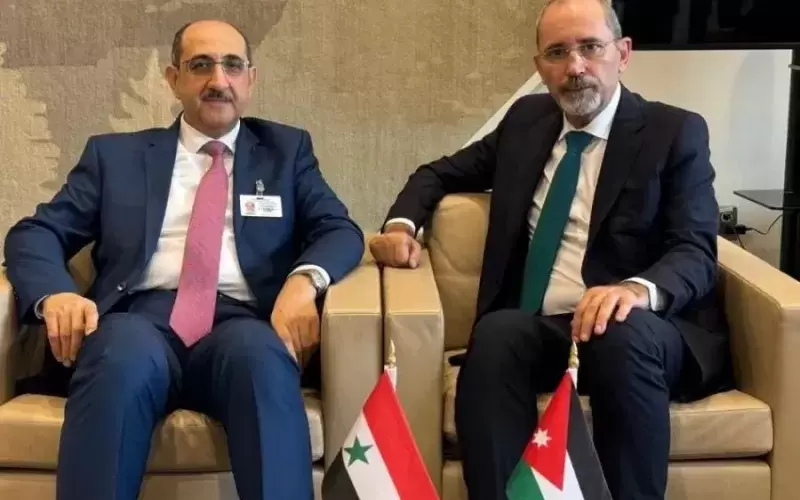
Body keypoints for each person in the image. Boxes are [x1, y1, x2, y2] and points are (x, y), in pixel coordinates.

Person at [368, 0, 731, 499]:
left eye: (590, 47)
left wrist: (634, 290)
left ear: (623, 54)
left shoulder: (673, 132)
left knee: (620, 335)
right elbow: (437, 174)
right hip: (546, 326)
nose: (575, 66)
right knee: (496, 336)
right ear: (540, 66)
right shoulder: (526, 122)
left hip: (642, 330)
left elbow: (694, 250)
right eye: (558, 52)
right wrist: (400, 227)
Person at [3, 19, 364, 500]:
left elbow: (338, 229)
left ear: (250, 79)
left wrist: (303, 283)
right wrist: (56, 295)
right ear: (173, 79)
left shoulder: (286, 151)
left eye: (232, 65)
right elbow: (36, 232)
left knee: (263, 361)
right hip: (138, 321)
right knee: (118, 358)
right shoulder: (116, 156)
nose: (218, 80)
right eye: (201, 66)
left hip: (242, 324)